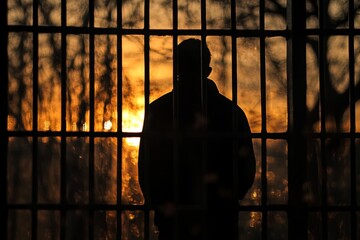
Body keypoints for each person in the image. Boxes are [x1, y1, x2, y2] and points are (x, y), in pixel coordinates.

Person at [138, 38, 256, 240]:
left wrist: (162, 203)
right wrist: (224, 201)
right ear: (207, 71)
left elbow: (146, 169)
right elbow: (246, 170)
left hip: (173, 224)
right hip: (220, 223)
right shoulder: (231, 113)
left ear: (176, 69)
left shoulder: (158, 111)